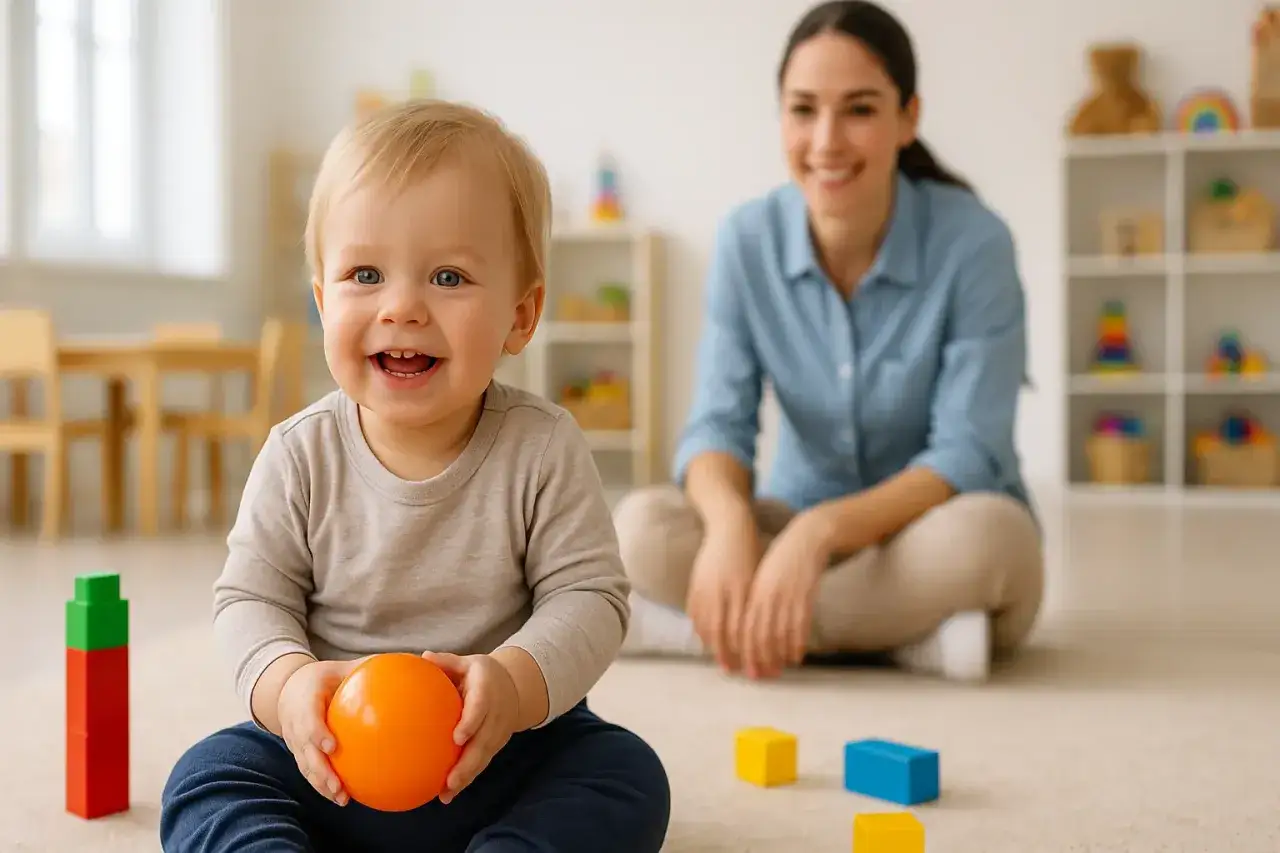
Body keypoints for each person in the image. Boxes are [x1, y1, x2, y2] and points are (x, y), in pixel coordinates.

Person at [159, 100, 670, 853]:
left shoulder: (541, 445)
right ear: (322, 297)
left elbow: (589, 597)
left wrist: (516, 680)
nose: (402, 307)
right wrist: (292, 685)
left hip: (499, 754)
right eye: (365, 273)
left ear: (521, 316)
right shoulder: (298, 454)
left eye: (448, 276)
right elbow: (249, 600)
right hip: (329, 762)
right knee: (205, 778)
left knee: (626, 773)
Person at [615, 0, 1043, 685]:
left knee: (996, 543)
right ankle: (907, 639)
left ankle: (707, 629)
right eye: (804, 109)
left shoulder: (975, 243)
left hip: (927, 528)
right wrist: (730, 530)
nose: (826, 141)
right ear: (780, 115)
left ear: (909, 117)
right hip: (790, 521)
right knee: (638, 528)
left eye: (861, 110)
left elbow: (968, 450)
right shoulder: (745, 241)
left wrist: (820, 536)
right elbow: (716, 427)